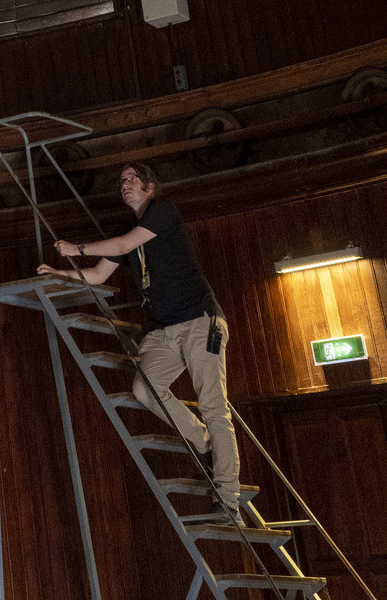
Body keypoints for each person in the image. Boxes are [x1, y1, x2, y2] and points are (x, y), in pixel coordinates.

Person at [37, 160, 245, 526]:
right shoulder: (127, 228)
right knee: (144, 390)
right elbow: (100, 274)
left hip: (199, 322)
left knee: (213, 406)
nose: (125, 185)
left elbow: (122, 244)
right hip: (164, 330)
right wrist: (61, 273)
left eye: (133, 179)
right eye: (121, 182)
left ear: (150, 186)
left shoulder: (162, 212)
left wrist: (76, 247)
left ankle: (228, 498)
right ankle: (202, 443)